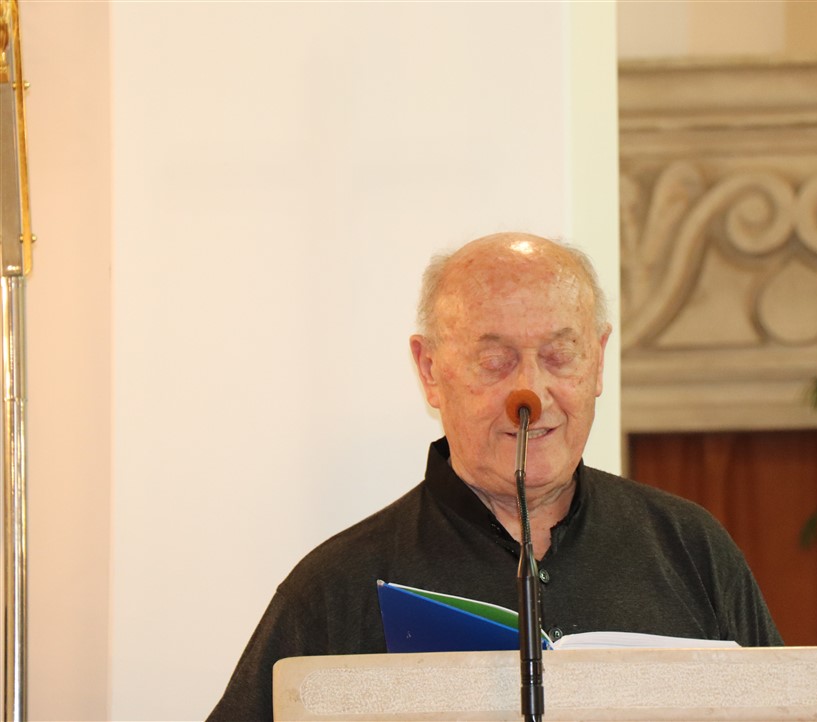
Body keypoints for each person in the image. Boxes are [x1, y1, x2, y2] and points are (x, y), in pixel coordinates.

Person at [207, 232, 782, 721]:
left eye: (560, 355)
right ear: (430, 370)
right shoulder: (336, 587)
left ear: (599, 360)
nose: (529, 393)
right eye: (494, 361)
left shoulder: (691, 549)